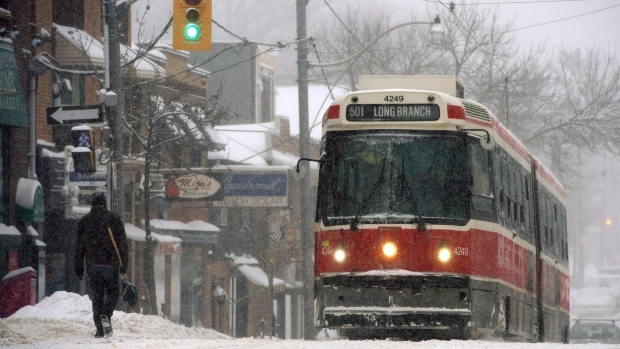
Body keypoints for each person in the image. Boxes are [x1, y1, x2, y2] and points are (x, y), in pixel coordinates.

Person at [74, 191, 127, 338]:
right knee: (113, 293)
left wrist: (78, 264)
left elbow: (79, 245)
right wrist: (124, 264)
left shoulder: (85, 221)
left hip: (93, 265)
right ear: (105, 203)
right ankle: (106, 314)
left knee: (97, 296)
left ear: (92, 203)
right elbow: (122, 244)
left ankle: (99, 329)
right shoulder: (114, 219)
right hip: (111, 264)